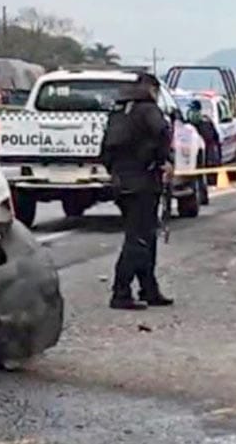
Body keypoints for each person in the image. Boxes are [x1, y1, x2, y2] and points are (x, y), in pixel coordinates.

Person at [102, 73, 175, 311]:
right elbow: (163, 132)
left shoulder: (120, 112)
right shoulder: (147, 110)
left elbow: (105, 151)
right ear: (152, 89)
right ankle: (121, 292)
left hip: (121, 181)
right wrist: (163, 160)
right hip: (143, 180)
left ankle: (148, 288)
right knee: (139, 238)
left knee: (144, 236)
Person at [187, 99, 220, 202]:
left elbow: (214, 138)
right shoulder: (188, 124)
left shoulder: (205, 123)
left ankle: (203, 196)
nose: (191, 112)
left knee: (201, 175)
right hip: (190, 153)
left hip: (204, 153)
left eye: (193, 109)